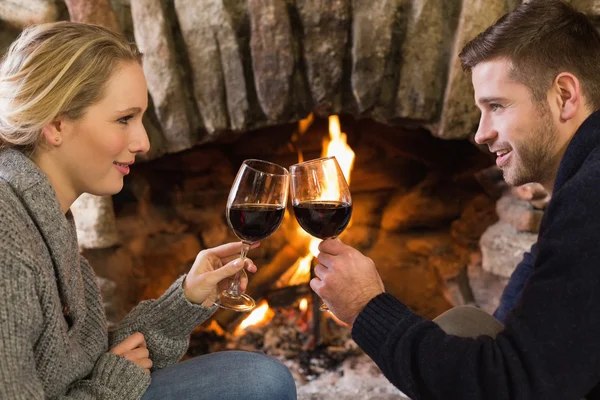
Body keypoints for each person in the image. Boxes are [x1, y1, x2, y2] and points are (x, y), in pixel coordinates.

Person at [312, 1, 600, 399]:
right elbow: (527, 315)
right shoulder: (582, 180)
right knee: (467, 323)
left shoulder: (591, 200)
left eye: (496, 106)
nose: (480, 134)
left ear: (564, 95)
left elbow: (508, 386)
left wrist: (366, 308)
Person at [0, 22, 296, 400]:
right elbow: (103, 377)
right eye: (124, 119)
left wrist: (188, 297)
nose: (143, 142)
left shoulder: (47, 213)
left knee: (260, 379)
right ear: (56, 124)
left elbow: (94, 360)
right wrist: (109, 387)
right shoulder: (7, 237)